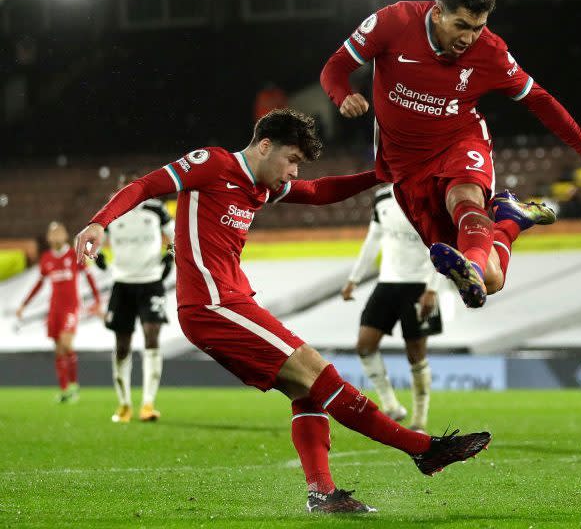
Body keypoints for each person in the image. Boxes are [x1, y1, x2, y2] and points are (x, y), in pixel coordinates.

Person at [75, 109, 490, 514]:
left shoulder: (262, 186)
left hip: (230, 302)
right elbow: (145, 186)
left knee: (305, 389)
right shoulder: (212, 163)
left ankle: (323, 495)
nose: (294, 172)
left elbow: (318, 191)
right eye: (291, 160)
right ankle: (423, 449)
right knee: (319, 372)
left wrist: (380, 176)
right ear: (265, 145)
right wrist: (99, 222)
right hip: (211, 304)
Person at [320, 0, 581, 309]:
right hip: (406, 166)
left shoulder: (491, 52)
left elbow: (537, 98)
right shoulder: (393, 22)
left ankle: (469, 263)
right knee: (492, 279)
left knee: (466, 200)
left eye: (478, 27)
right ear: (438, 12)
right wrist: (343, 96)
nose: (469, 38)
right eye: (462, 25)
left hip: (461, 142)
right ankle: (511, 221)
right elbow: (334, 69)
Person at [343, 184, 444, 433]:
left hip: (420, 286)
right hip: (387, 283)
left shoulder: (430, 196)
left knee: (416, 354)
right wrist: (354, 278)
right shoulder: (382, 198)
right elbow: (372, 239)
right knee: (364, 345)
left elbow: (442, 245)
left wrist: (433, 288)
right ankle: (390, 405)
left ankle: (420, 420)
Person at [96, 173, 175, 423]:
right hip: (122, 284)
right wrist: (98, 257)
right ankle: (124, 405)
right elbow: (98, 240)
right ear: (118, 189)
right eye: (123, 186)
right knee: (122, 345)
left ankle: (148, 404)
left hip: (151, 282)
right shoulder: (112, 212)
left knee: (152, 336)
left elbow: (176, 236)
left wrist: (170, 256)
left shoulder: (156, 209)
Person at [16, 221, 102, 402]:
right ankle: (64, 390)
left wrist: (97, 301)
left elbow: (90, 277)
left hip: (71, 306)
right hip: (54, 308)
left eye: (59, 232)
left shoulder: (74, 254)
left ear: (65, 236)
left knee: (66, 343)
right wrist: (24, 304)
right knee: (58, 349)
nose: (55, 236)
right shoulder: (46, 258)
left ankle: (74, 386)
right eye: (52, 233)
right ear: (48, 238)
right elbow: (39, 284)